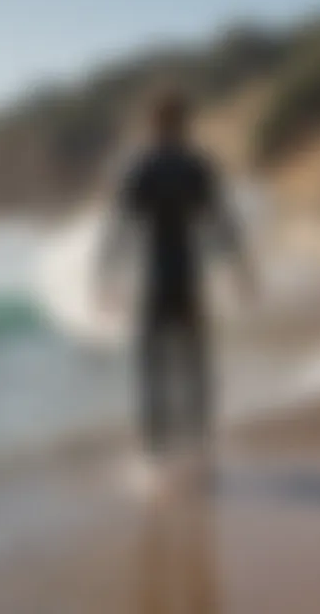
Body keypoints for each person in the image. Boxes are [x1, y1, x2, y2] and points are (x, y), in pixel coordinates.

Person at [98, 88, 255, 488]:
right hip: (188, 278)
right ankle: (201, 453)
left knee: (153, 369)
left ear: (152, 123)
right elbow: (221, 222)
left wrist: (105, 276)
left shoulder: (140, 166)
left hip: (155, 279)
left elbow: (118, 227)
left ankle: (156, 459)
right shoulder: (196, 166)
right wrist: (240, 268)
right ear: (185, 123)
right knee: (195, 366)